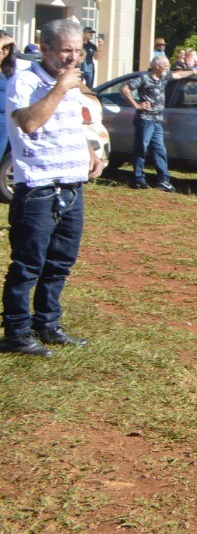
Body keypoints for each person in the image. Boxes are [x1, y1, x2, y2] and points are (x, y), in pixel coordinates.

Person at [2, 18, 103, 356]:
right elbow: (29, 123)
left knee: (59, 262)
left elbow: (71, 122)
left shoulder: (71, 84)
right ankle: (16, 333)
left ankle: (47, 324)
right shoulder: (25, 80)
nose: (73, 58)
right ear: (44, 49)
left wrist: (88, 152)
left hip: (71, 187)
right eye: (65, 51)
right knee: (28, 265)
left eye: (77, 51)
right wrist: (60, 87)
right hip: (38, 189)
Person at [120, 54, 188, 191]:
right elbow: (124, 89)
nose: (168, 68)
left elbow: (179, 75)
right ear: (157, 66)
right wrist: (137, 105)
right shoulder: (144, 78)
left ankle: (163, 180)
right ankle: (138, 179)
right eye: (166, 65)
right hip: (145, 119)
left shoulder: (164, 77)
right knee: (141, 148)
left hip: (157, 120)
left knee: (159, 149)